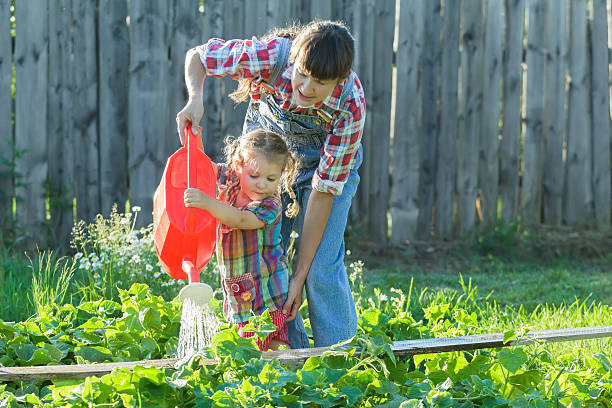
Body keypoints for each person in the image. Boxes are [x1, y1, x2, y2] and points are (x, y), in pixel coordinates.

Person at [176, 20, 366, 348]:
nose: (305, 88)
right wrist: (195, 98)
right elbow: (200, 56)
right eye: (302, 74)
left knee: (320, 268)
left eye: (319, 83)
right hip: (269, 166)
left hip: (325, 175)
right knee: (262, 258)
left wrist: (300, 274)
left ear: (340, 80)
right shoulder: (271, 57)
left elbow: (322, 191)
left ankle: (340, 359)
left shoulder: (350, 105)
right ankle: (286, 357)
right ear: (295, 58)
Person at [184, 129, 300, 351]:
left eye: (271, 178)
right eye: (254, 176)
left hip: (267, 295)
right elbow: (204, 170)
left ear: (281, 174)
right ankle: (271, 377)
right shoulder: (233, 180)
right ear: (238, 166)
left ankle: (282, 376)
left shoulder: (270, 204)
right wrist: (196, 139)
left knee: (263, 346)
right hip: (241, 291)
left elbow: (241, 219)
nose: (261, 184)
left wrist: (207, 203)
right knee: (253, 347)